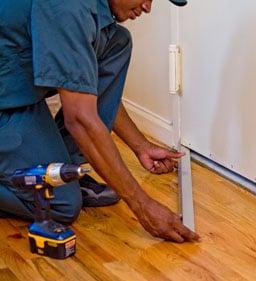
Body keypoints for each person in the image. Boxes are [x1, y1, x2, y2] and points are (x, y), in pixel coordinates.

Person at [0, 0, 199, 243]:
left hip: (17, 93)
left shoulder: (92, 12)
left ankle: (66, 169)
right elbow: (80, 119)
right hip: (6, 103)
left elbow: (86, 90)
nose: (148, 7)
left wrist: (141, 146)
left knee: (115, 43)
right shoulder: (68, 7)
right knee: (62, 203)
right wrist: (142, 204)